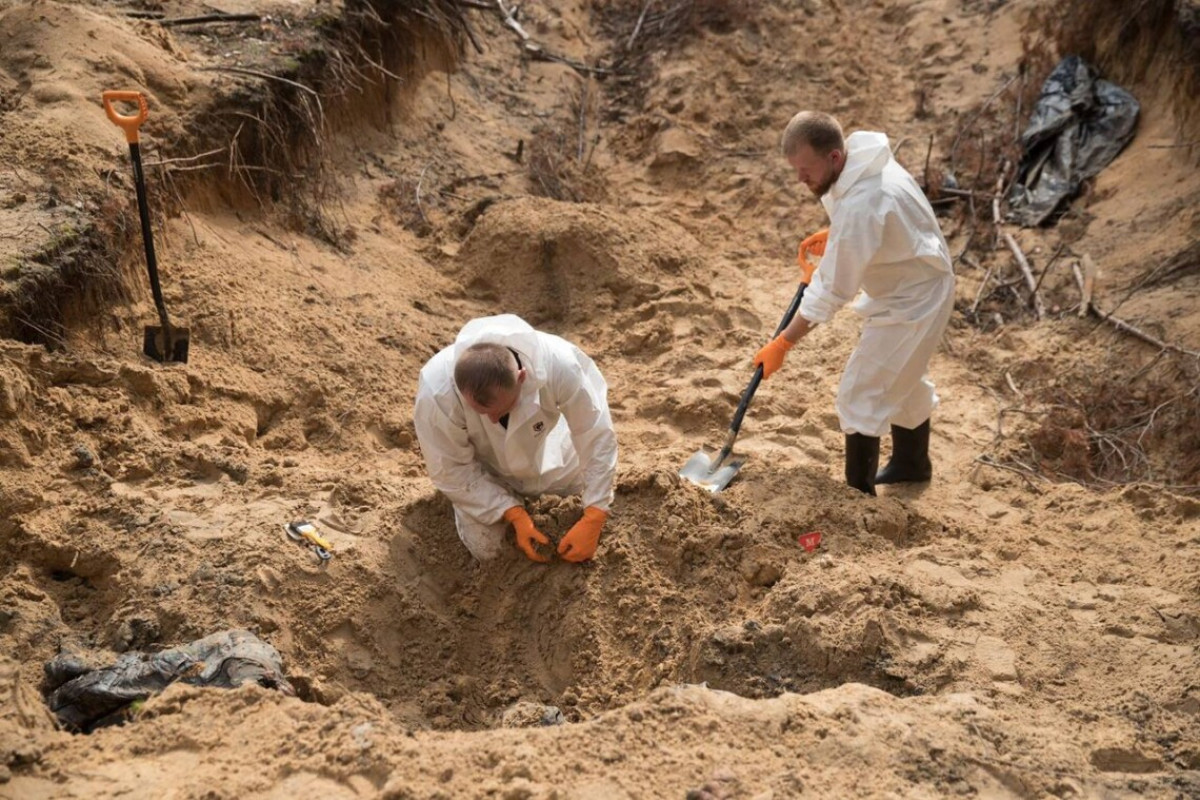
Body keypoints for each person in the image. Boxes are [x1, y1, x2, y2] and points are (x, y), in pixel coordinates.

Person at [753, 111, 955, 496]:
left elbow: (832, 291)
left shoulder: (863, 201)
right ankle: (912, 464)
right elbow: (880, 221)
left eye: (806, 170)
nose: (800, 179)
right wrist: (839, 235)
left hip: (914, 300)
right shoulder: (863, 162)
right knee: (904, 378)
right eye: (795, 170)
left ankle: (857, 499)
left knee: (860, 393)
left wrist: (783, 343)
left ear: (833, 157)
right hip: (910, 282)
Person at [414, 314, 617, 562]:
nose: (491, 420)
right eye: (480, 413)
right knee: (490, 550)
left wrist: (594, 515)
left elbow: (595, 435)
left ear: (522, 377)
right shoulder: (437, 392)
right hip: (487, 472)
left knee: (596, 511)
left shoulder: (561, 365)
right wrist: (511, 512)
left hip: (553, 457)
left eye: (500, 409)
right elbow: (450, 468)